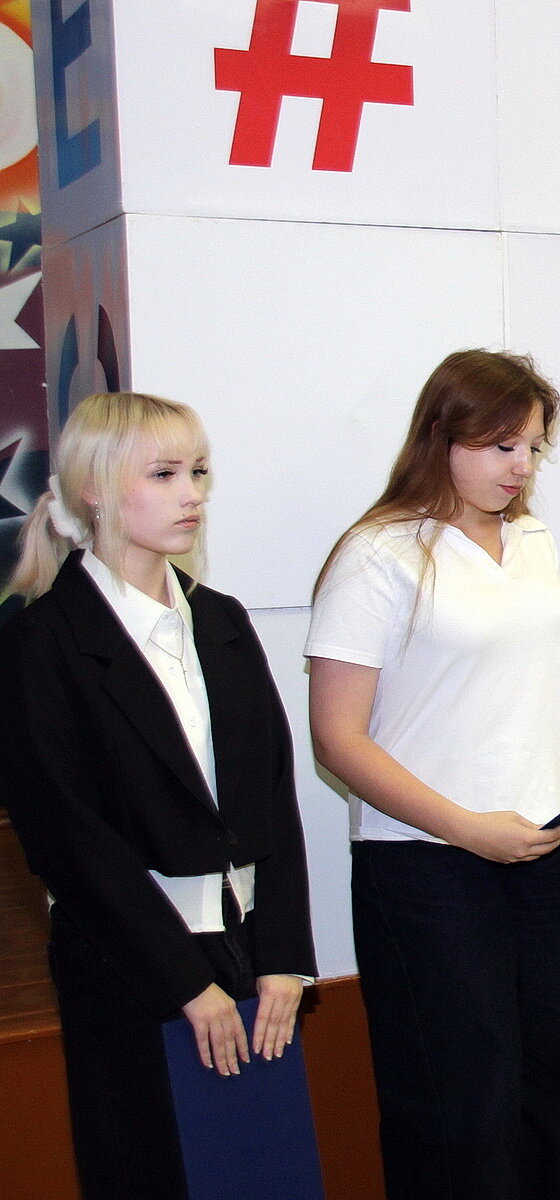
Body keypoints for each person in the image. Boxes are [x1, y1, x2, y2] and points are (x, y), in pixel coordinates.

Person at [306, 349, 560, 1200]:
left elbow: (534, 690)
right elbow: (337, 739)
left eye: (533, 448)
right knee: (457, 1102)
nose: (521, 466)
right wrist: (468, 830)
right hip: (427, 867)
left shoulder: (531, 541)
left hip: (545, 849)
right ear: (442, 435)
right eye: (502, 445)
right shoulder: (378, 553)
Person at [0, 391, 317, 1199]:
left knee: (263, 1175)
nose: (191, 495)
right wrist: (182, 982)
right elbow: (66, 837)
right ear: (93, 488)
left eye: (199, 473)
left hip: (249, 956)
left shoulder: (222, 621)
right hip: (129, 966)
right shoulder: (43, 641)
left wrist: (284, 958)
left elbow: (273, 797)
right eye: (165, 474)